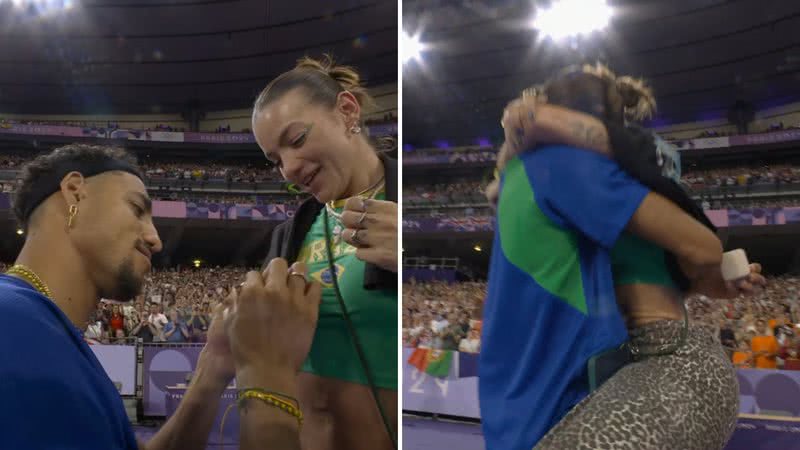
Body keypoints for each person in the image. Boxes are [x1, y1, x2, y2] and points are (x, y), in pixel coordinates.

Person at [479, 64, 765, 450]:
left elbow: (703, 253)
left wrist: (531, 124)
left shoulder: (596, 182)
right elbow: (692, 269)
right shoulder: (583, 187)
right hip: (624, 368)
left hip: (669, 358)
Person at [0, 143, 322, 449]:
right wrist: (267, 372)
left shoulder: (44, 330)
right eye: (137, 208)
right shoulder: (11, 321)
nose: (156, 240)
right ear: (74, 192)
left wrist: (213, 366)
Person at [252, 55, 398, 449]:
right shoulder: (288, 237)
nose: (289, 169)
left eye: (296, 140)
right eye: (275, 160)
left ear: (347, 111)